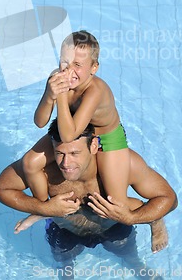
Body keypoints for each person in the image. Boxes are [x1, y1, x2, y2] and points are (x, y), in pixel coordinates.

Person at [0, 119, 178, 255]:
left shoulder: (122, 164)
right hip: (67, 227)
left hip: (113, 224)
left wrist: (132, 217)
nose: (66, 163)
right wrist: (42, 207)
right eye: (59, 153)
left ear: (94, 146)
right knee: (63, 262)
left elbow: (170, 199)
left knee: (128, 255)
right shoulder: (45, 168)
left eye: (74, 153)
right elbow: (0, 189)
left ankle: (152, 229)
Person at [21, 30, 132, 231]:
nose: (69, 70)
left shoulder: (95, 90)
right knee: (30, 163)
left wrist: (61, 96)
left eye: (78, 65)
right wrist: (49, 94)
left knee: (116, 204)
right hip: (74, 130)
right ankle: (43, 208)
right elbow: (39, 122)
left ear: (94, 68)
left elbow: (68, 135)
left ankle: (154, 218)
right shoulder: (57, 77)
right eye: (65, 61)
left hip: (106, 137)